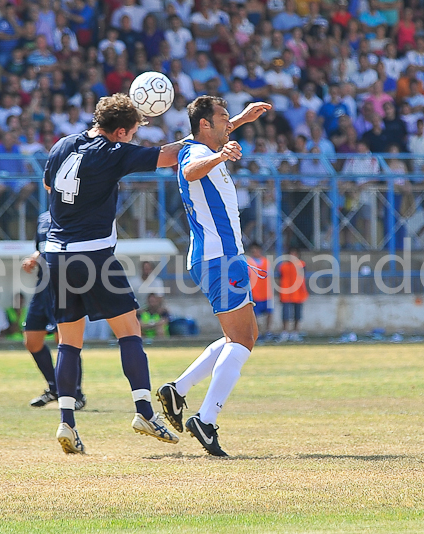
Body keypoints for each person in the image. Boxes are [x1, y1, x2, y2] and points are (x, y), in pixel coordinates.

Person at [43, 93, 200, 454]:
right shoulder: (114, 151)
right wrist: (224, 128)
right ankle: (143, 411)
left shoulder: (63, 144)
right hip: (94, 254)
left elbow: (49, 186)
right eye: (131, 133)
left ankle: (66, 422)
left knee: (69, 341)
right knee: (129, 331)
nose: (131, 139)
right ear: (121, 131)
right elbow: (168, 154)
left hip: (56, 254)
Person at [156, 96, 271, 457]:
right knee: (243, 339)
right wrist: (220, 156)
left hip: (218, 257)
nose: (228, 124)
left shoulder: (205, 143)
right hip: (219, 258)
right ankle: (205, 421)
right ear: (205, 125)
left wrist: (241, 118)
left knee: (239, 336)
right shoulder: (195, 153)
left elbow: (213, 138)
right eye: (222, 119)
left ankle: (178, 390)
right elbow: (190, 169)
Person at [21, 211, 87, 410]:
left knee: (65, 341)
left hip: (65, 287)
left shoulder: (75, 214)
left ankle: (76, 393)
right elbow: (43, 248)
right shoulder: (42, 218)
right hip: (42, 289)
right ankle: (54, 388)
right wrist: (34, 258)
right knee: (32, 341)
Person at [276, 247, 308, 342]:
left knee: (297, 314)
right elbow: (280, 279)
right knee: (285, 314)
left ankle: (295, 333)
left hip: (299, 293)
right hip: (286, 294)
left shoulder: (301, 264)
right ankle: (285, 333)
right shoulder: (283, 266)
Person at [246, 242, 273, 340]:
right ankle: (258, 332)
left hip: (266, 293)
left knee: (269, 313)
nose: (255, 252)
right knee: (255, 315)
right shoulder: (249, 262)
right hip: (255, 293)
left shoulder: (266, 262)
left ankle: (268, 331)